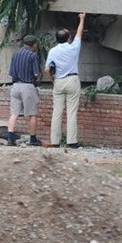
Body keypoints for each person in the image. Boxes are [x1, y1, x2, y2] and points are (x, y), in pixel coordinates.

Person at [45, 13, 86, 148]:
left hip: (59, 81)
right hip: (72, 79)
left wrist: (53, 80)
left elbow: (46, 70)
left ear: (57, 39)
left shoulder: (52, 51)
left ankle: (55, 141)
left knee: (57, 111)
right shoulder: (74, 47)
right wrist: (82, 19)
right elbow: (79, 33)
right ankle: (71, 142)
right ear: (69, 38)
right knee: (72, 111)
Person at [6, 34, 43, 146]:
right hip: (28, 86)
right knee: (32, 114)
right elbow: (36, 74)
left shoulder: (15, 55)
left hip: (15, 86)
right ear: (34, 44)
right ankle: (33, 139)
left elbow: (11, 73)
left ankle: (10, 139)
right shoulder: (33, 56)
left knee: (14, 113)